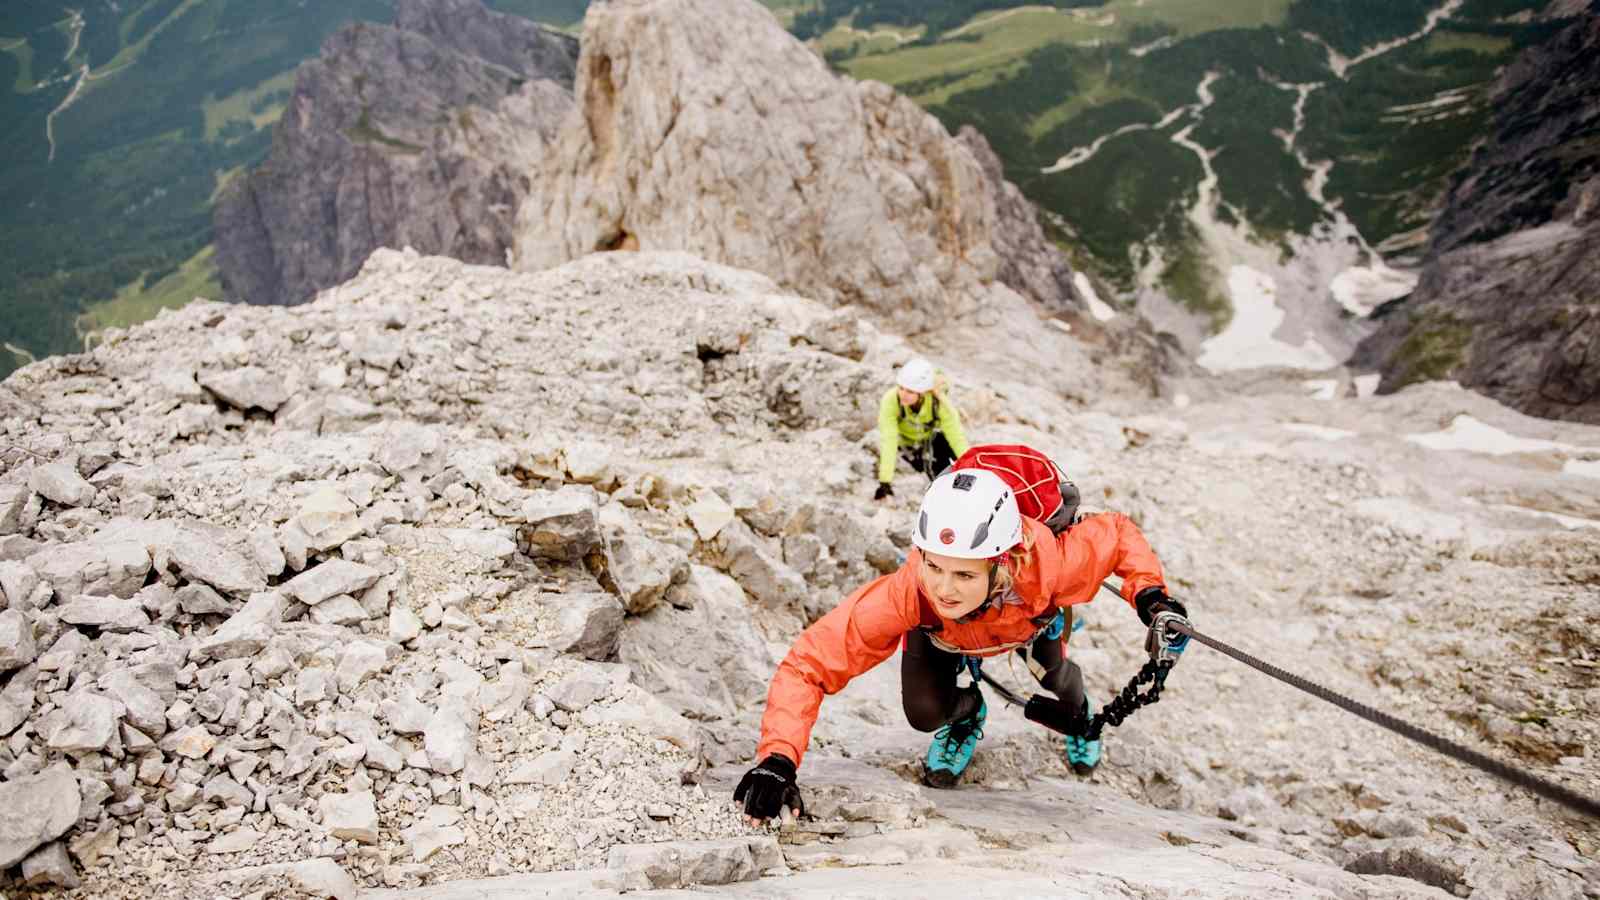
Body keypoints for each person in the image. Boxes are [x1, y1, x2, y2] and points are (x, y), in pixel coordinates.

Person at [734, 469, 1189, 824]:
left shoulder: (1054, 565)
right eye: (934, 567)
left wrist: (1150, 595)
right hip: (943, 637)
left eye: (965, 574)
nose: (944, 590)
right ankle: (968, 714)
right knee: (924, 714)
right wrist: (777, 759)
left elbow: (1118, 534)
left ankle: (1081, 714)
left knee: (1065, 693)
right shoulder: (910, 593)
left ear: (1001, 564)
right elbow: (809, 664)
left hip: (1028, 625)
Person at [874, 357, 969, 501]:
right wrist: (885, 481)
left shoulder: (939, 404)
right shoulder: (891, 400)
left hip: (930, 440)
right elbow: (889, 440)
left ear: (923, 393)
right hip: (907, 446)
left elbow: (957, 438)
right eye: (901, 388)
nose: (903, 394)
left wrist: (971, 466)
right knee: (933, 470)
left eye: (910, 391)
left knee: (944, 450)